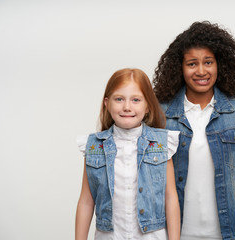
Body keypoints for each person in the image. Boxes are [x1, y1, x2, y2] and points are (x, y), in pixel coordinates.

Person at [153, 21, 235, 240]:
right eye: (192, 64)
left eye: (208, 62)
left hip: (230, 232)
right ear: (180, 68)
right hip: (174, 232)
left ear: (219, 65)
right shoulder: (159, 112)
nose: (201, 71)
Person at [75, 68, 181, 240]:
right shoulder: (94, 147)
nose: (127, 107)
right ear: (107, 103)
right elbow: (86, 201)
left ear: (147, 106)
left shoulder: (162, 144)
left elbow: (170, 197)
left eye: (136, 100)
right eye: (119, 99)